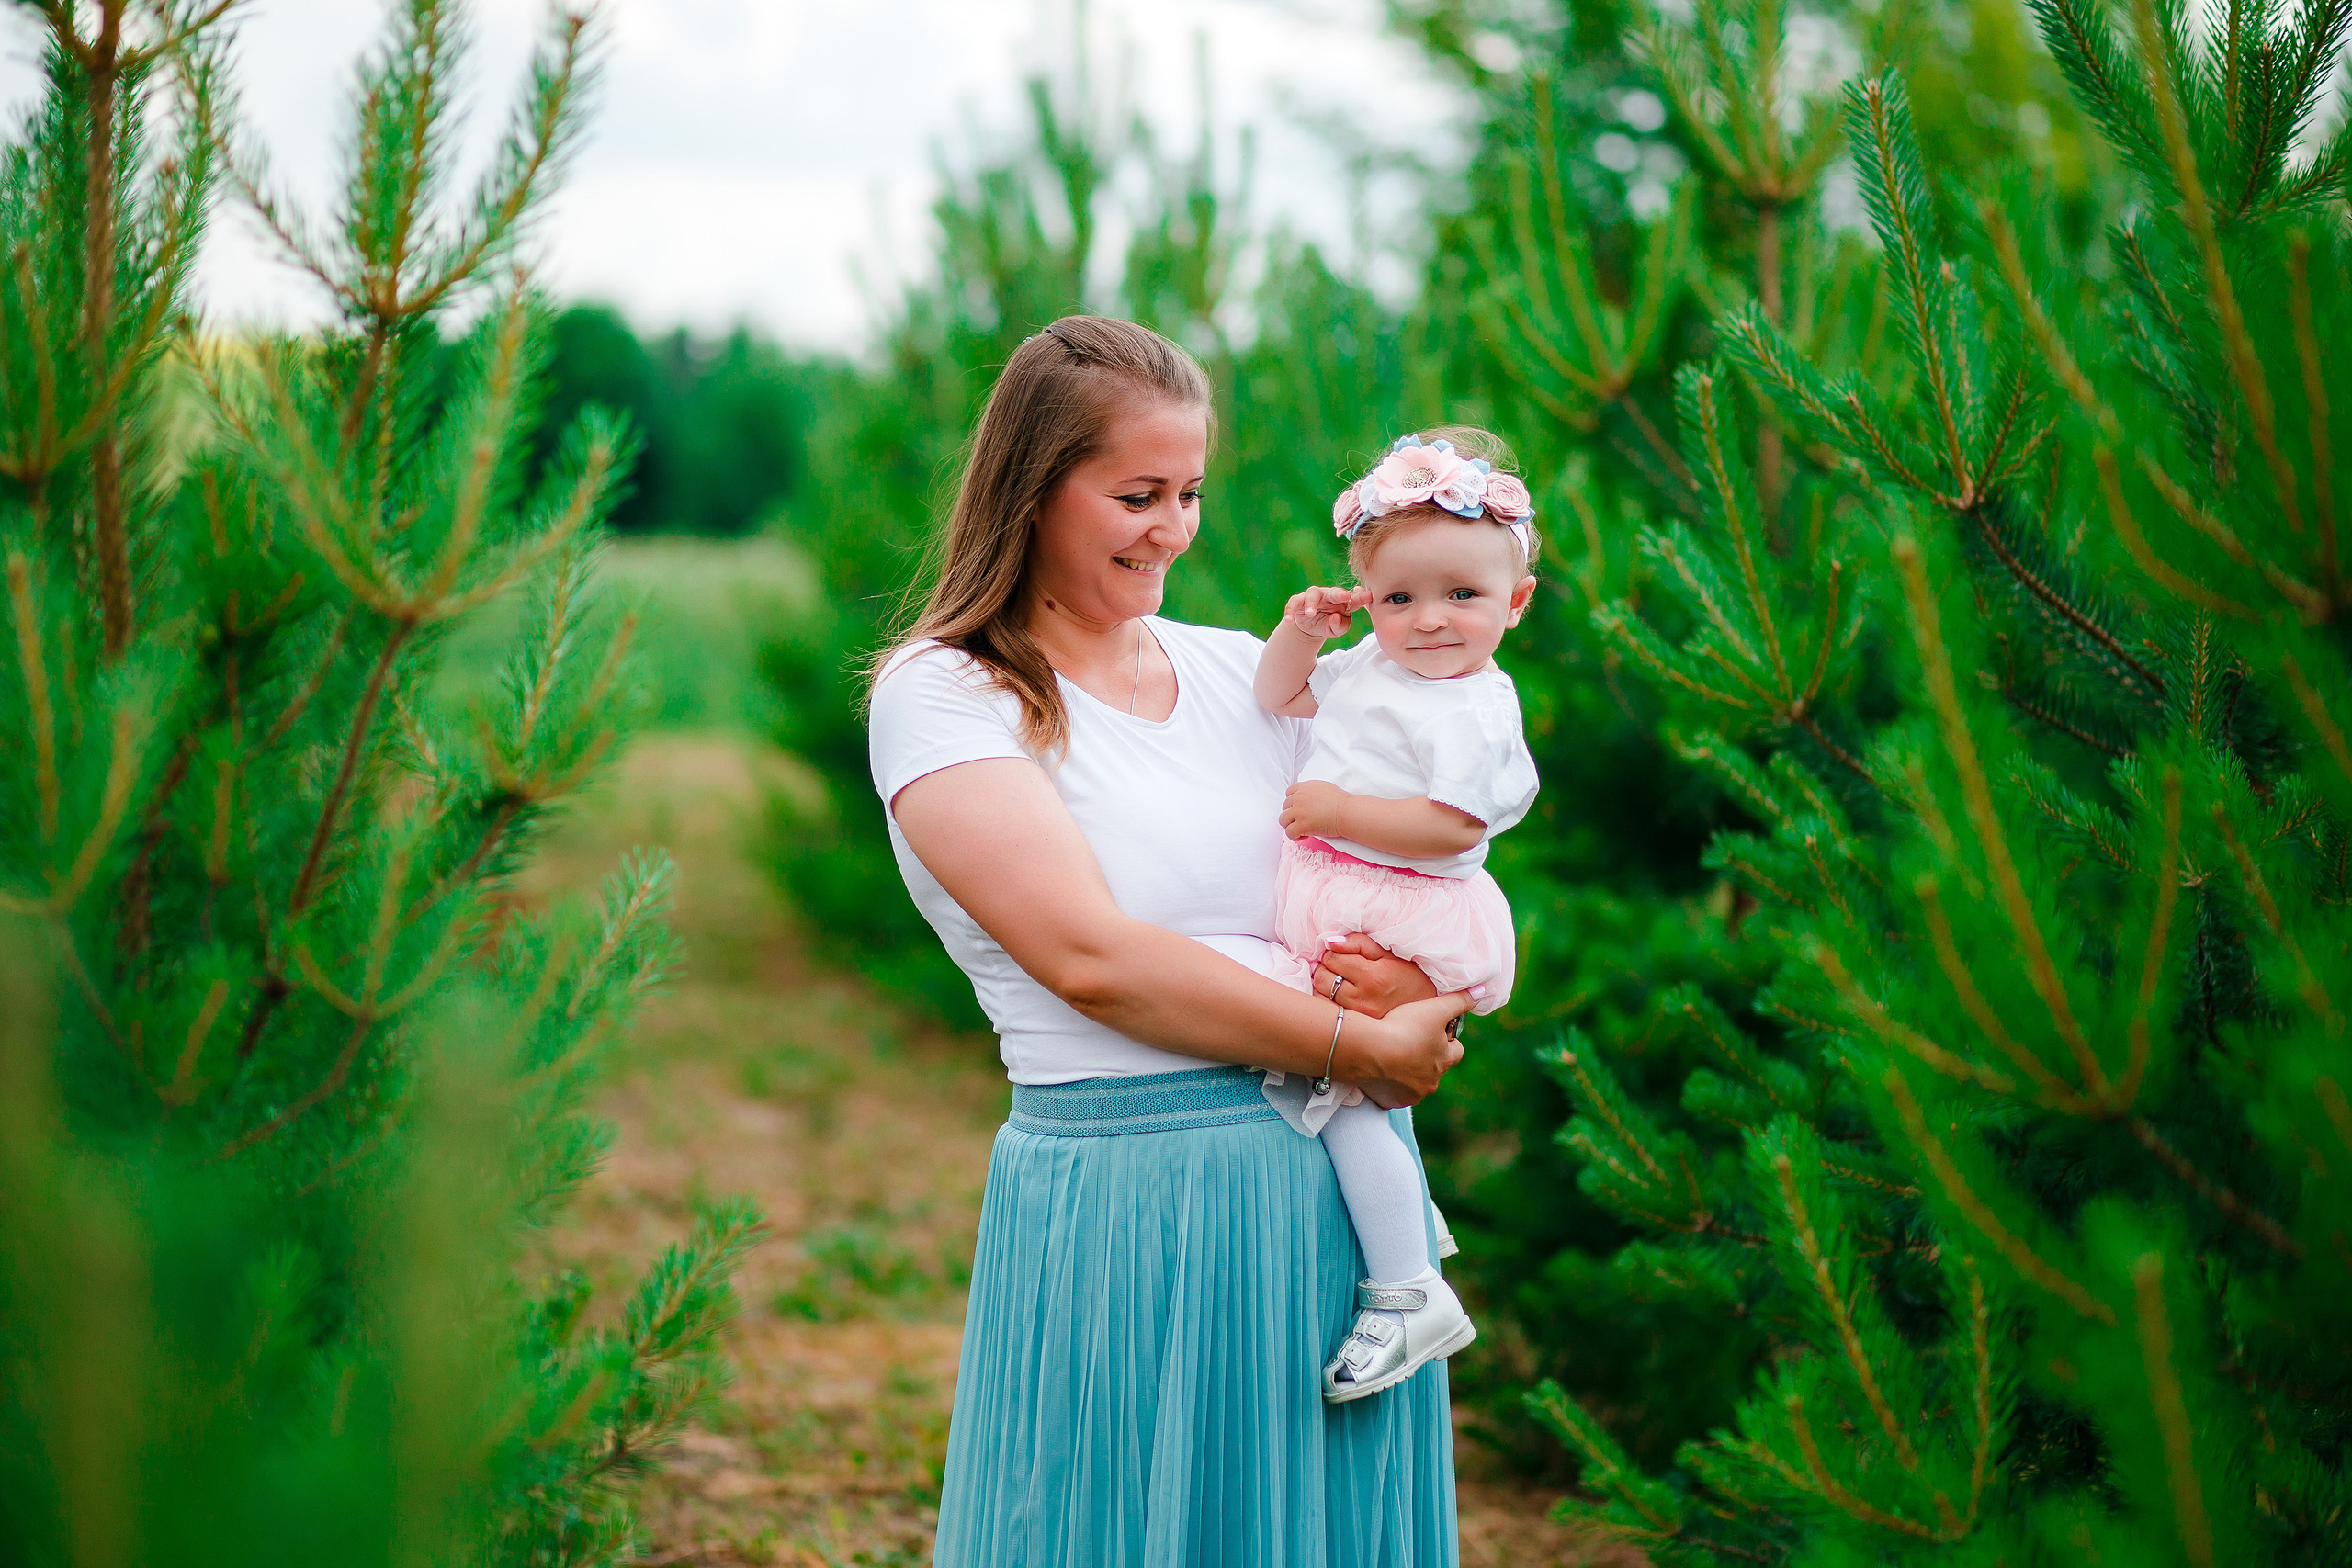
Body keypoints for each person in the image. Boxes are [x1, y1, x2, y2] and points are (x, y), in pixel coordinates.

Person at [867, 315, 1469, 1565]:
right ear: (1033, 492)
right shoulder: (947, 692)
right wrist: (1367, 1040)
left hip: (1327, 1206)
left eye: (1190, 491)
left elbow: (1403, 877)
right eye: (1137, 493)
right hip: (1132, 1199)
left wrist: (1418, 993)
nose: (1175, 527)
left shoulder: (1248, 673)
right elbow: (1090, 957)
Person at [1251, 430, 1540, 1404]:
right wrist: (1304, 632)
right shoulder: (1372, 666)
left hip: (1409, 906)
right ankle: (1405, 1258)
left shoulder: (1475, 710)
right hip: (1345, 892)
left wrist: (1336, 815)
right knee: (1339, 1087)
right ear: (1367, 598)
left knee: (1338, 1085)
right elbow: (1279, 692)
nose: (1427, 622)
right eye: (1397, 598)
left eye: (1462, 596)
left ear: (1515, 602)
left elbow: (1453, 825)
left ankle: (1409, 1285)